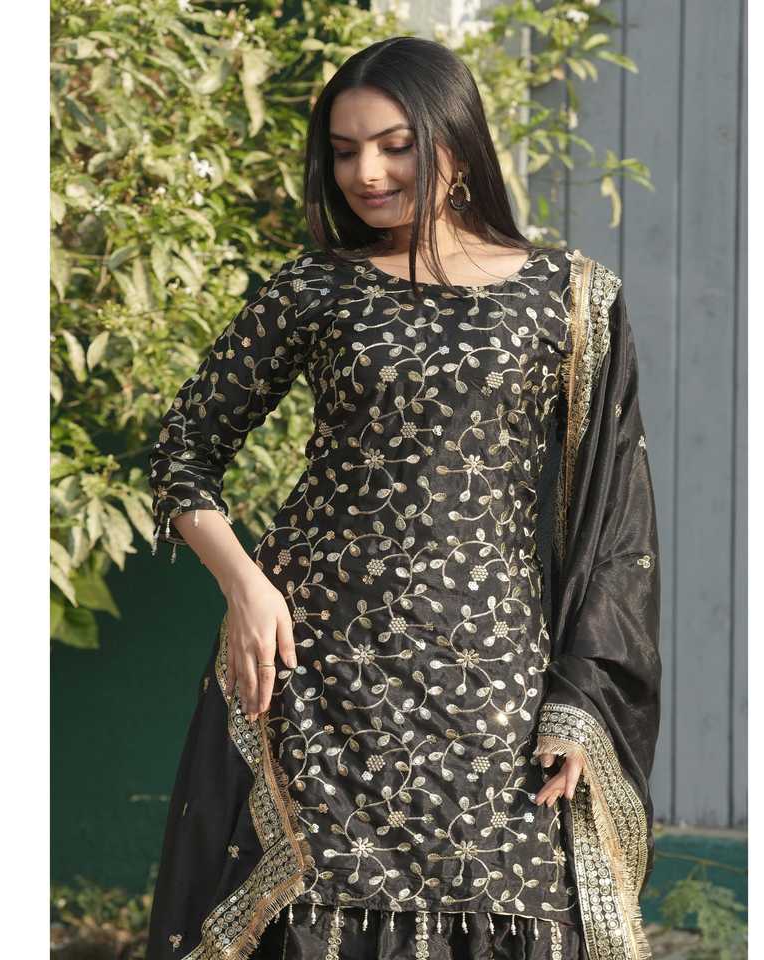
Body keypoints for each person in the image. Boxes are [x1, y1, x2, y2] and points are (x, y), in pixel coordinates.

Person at [143, 37, 661, 960]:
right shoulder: (316, 287)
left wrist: (581, 697)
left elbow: (618, 521)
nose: (367, 174)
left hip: (494, 682)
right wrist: (246, 585)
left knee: (509, 902)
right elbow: (183, 448)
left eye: (394, 146)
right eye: (345, 151)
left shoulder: (568, 295)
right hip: (318, 669)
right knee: (311, 910)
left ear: (455, 141)